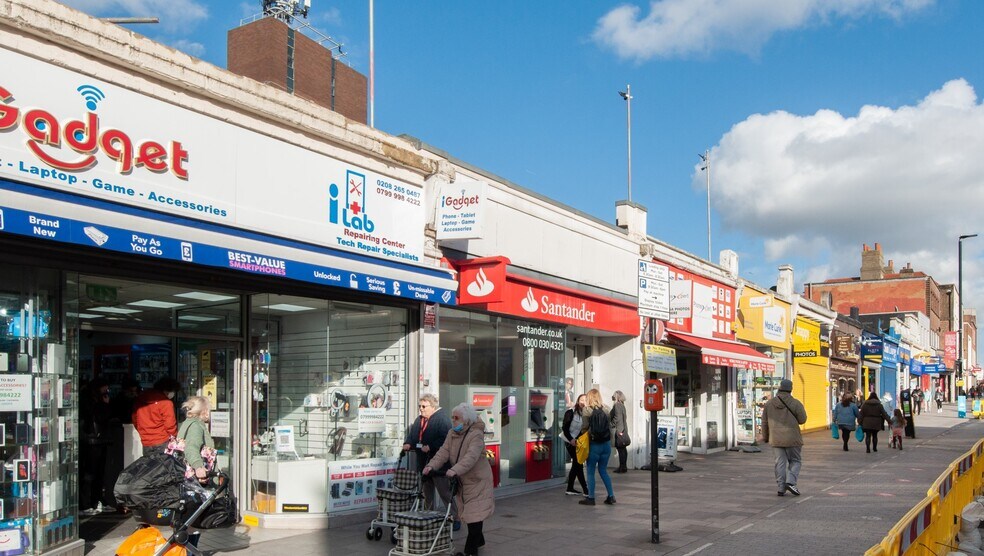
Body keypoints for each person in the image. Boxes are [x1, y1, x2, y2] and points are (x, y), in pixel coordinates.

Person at [423, 404, 494, 556]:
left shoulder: (475, 435)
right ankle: (479, 543)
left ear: (466, 419)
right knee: (471, 517)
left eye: (457, 418)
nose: (453, 421)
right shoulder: (452, 433)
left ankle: (470, 552)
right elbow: (444, 452)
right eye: (452, 417)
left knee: (475, 516)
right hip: (463, 480)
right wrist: (430, 466)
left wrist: (454, 470)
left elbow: (471, 457)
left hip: (477, 481)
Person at [403, 394, 454, 519]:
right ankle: (428, 515)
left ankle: (454, 517)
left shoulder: (442, 419)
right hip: (424, 462)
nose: (421, 408)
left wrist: (431, 446)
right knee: (427, 492)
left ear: (432, 406)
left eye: (424, 406)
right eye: (420, 406)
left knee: (444, 493)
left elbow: (446, 439)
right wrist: (408, 443)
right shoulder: (420, 419)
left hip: (438, 465)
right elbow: (413, 434)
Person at [759, 379, 807, 496]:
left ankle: (781, 488)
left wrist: (766, 437)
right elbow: (802, 420)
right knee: (795, 461)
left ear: (779, 388)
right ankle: (790, 482)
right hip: (792, 438)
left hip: (776, 439)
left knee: (779, 463)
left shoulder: (769, 404)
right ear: (791, 389)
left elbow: (764, 422)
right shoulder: (795, 403)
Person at [80, 379, 113, 515]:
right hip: (92, 440)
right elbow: (99, 417)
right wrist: (104, 405)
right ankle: (86, 504)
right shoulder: (90, 402)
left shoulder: (92, 401)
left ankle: (95, 501)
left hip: (97, 439)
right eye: (104, 390)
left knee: (98, 473)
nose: (106, 393)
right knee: (90, 474)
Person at [578, 388, 615, 506]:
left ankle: (591, 498)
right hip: (606, 445)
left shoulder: (587, 410)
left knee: (590, 471)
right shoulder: (606, 409)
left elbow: (584, 427)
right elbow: (610, 426)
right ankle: (611, 495)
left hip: (594, 445)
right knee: (603, 470)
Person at [132, 377, 180, 455]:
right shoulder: (166, 403)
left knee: (150, 466)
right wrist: (174, 437)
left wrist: (143, 432)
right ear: (167, 390)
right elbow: (170, 425)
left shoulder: (140, 399)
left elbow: (135, 419)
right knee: (164, 466)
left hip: (146, 441)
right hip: (162, 440)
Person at [178, 396, 217, 484]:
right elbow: (191, 447)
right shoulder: (196, 426)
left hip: (188, 477)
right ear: (204, 411)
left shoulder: (187, 423)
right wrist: (198, 467)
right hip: (195, 479)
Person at [561, 394, 588, 496]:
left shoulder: (585, 414)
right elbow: (565, 428)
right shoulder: (571, 412)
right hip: (569, 441)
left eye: (585, 400)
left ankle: (570, 488)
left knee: (576, 465)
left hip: (578, 442)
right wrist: (571, 439)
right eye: (581, 400)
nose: (583, 402)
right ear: (578, 401)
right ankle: (586, 490)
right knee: (578, 464)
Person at [610, 390, 629, 473]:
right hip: (623, 428)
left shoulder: (617, 405)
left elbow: (617, 417)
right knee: (623, 449)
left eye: (614, 397)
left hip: (619, 429)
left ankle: (622, 467)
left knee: (620, 449)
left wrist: (612, 424)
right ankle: (624, 466)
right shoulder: (622, 405)